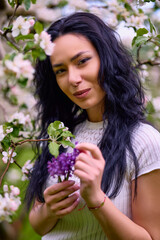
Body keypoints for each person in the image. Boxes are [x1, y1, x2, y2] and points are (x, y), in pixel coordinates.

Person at [26, 12, 160, 240]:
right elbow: (38, 224)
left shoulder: (144, 140)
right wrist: (50, 210)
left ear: (105, 59)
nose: (73, 79)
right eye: (60, 70)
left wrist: (96, 198)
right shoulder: (61, 136)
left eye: (82, 61)